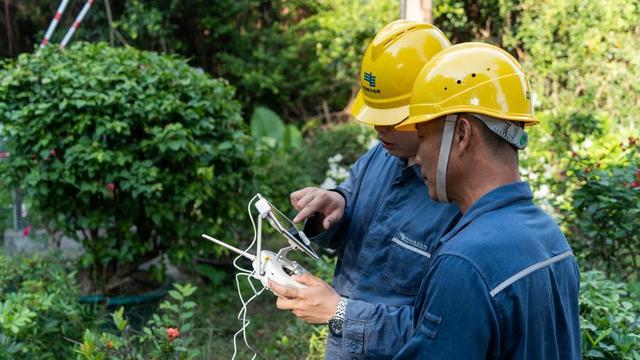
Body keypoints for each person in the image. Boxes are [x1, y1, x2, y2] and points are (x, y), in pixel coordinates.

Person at [269, 20, 460, 359]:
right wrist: (336, 206)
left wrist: (339, 311)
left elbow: (442, 330)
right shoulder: (381, 156)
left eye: (391, 117)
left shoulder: (458, 201)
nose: (377, 128)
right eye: (376, 114)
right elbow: (354, 214)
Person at [392, 42, 581, 359]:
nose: (417, 153)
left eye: (423, 136)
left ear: (462, 135)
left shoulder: (466, 262)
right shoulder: (550, 237)